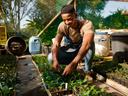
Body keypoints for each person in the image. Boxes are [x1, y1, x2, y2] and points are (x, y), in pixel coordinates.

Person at [48, 4, 95, 77]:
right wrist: (55, 60)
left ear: (75, 15)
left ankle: (87, 70)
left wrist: (74, 63)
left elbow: (86, 45)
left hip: (84, 46)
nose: (67, 22)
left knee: (90, 44)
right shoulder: (62, 26)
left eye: (69, 19)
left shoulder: (87, 25)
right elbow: (56, 43)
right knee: (50, 57)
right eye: (64, 20)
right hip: (72, 46)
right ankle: (69, 68)